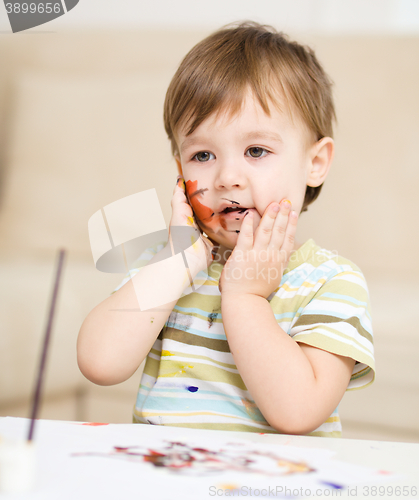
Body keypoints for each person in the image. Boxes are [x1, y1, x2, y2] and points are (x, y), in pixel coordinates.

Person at [77, 22, 375, 437]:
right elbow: (100, 364)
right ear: (180, 172)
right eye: (202, 155)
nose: (227, 177)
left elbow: (299, 411)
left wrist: (246, 297)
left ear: (315, 163)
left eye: (256, 150)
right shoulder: (167, 266)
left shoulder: (331, 282)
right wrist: (178, 262)